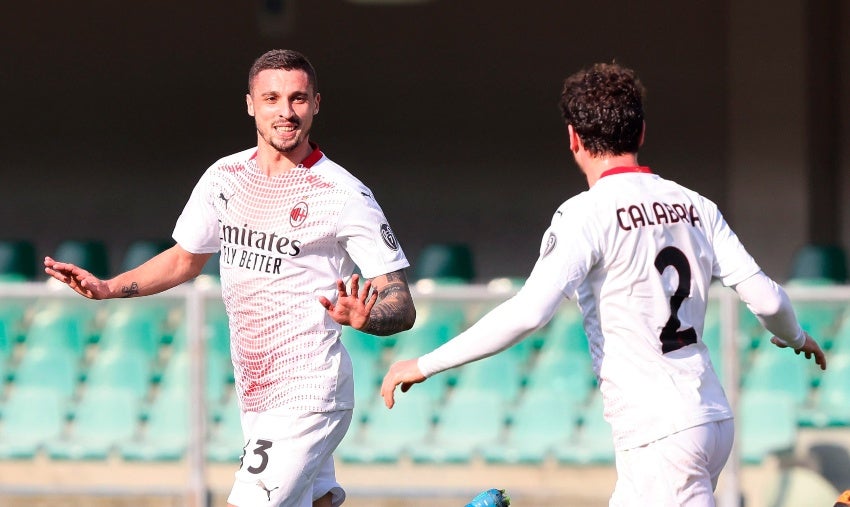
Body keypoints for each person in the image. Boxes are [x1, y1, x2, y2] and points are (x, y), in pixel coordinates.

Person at [381, 62, 827, 506]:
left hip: (659, 433)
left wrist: (425, 364)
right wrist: (797, 336)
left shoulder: (583, 215)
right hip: (709, 417)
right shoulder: (696, 206)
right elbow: (767, 300)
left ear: (573, 137)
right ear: (642, 131)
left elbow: (528, 312)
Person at [44, 49, 416, 507]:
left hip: (308, 390)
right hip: (255, 390)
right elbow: (184, 260)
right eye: (272, 98)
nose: (285, 111)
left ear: (316, 104)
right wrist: (107, 288)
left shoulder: (343, 194)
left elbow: (401, 302)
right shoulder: (225, 176)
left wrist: (368, 316)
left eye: (298, 99)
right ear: (250, 104)